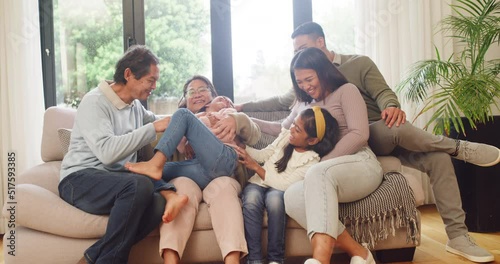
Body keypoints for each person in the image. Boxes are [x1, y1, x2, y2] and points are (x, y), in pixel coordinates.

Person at [235, 22, 499, 263]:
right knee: (300, 191)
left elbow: (378, 101)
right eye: (296, 53)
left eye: (303, 49)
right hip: (354, 152)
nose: (299, 60)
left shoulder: (356, 66)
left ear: (320, 44)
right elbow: (283, 114)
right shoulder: (305, 87)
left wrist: (391, 106)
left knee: (401, 133)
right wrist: (242, 113)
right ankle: (360, 252)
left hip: (373, 131)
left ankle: (458, 224)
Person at [59, 45, 188, 264]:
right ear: (129, 74)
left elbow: (159, 119)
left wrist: (188, 125)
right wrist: (153, 128)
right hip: (79, 181)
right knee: (140, 184)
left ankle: (93, 257)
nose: (154, 87)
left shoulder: (135, 106)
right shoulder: (95, 102)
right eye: (150, 80)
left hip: (115, 183)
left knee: (157, 203)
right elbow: (108, 153)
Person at [256, 47, 382, 263]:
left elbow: (360, 134)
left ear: (323, 71)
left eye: (309, 79)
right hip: (321, 174)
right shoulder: (303, 104)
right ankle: (361, 254)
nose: (305, 86)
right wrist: (241, 119)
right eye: (299, 81)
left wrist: (320, 164)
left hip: (360, 163)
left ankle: (321, 260)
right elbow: (281, 129)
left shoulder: (347, 91)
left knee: (316, 173)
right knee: (292, 196)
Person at [131, 75, 260, 264]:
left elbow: (254, 133)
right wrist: (185, 131)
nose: (197, 94)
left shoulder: (225, 113)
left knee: (223, 189)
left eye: (203, 90)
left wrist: (236, 119)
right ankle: (170, 261)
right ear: (185, 99)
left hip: (223, 169)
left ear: (213, 96)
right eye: (192, 91)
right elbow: (151, 135)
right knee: (179, 189)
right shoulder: (177, 121)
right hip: (192, 173)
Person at [238, 106, 340, 264]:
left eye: (298, 129)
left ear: (312, 140)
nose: (291, 129)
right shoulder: (286, 136)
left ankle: (275, 259)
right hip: (259, 182)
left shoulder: (311, 160)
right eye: (293, 123)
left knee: (275, 202)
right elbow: (265, 153)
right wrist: (244, 148)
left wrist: (256, 167)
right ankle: (255, 258)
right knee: (250, 199)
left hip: (279, 189)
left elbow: (284, 184)